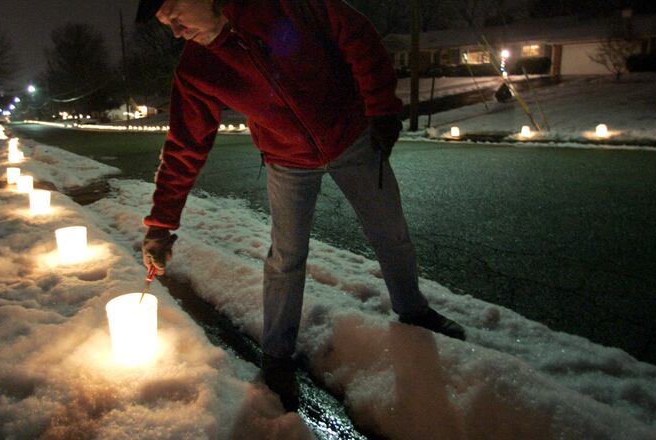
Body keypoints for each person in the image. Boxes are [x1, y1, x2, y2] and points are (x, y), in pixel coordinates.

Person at [136, 0, 466, 410]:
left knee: (389, 230)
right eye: (168, 26)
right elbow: (185, 144)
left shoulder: (281, 6)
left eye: (175, 16)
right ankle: (277, 355)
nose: (177, 32)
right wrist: (162, 224)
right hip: (286, 160)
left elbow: (355, 33)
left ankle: (413, 311)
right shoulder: (197, 69)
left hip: (352, 137)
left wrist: (381, 108)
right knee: (286, 256)